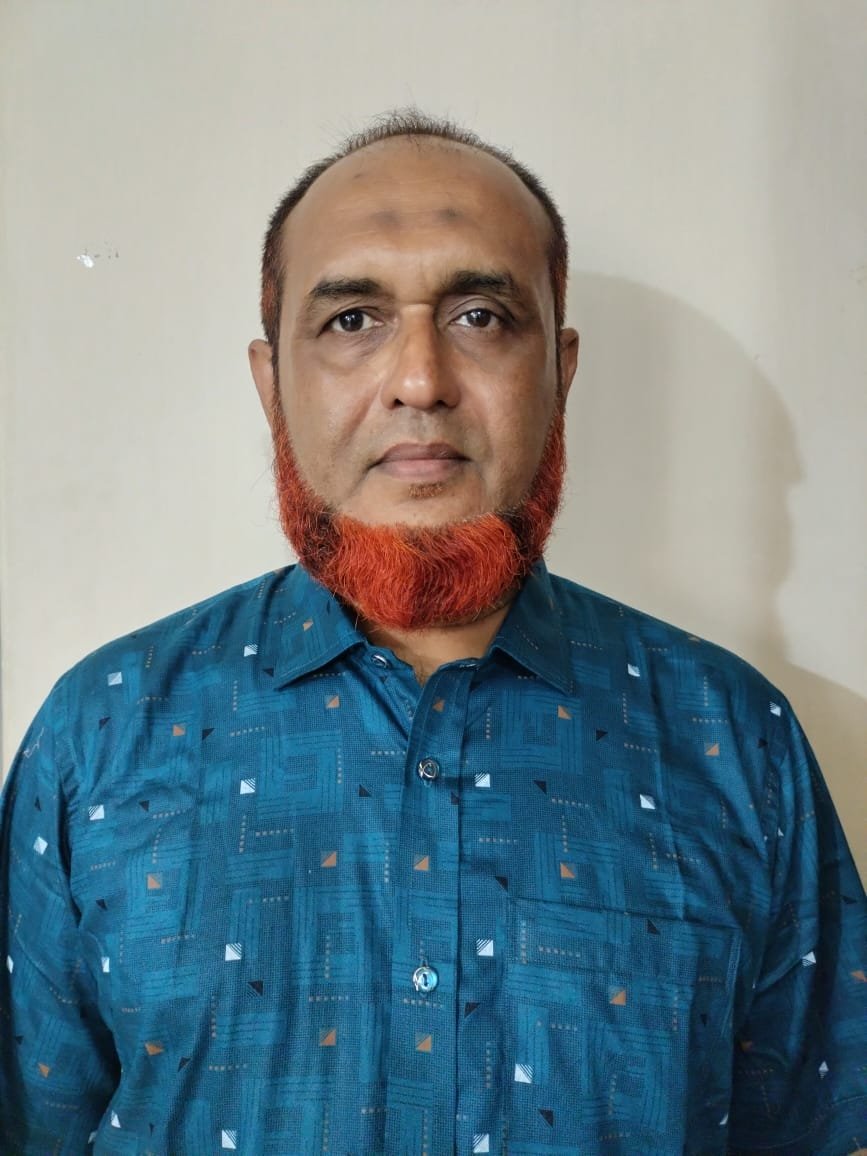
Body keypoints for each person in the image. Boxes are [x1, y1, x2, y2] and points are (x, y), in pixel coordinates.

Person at [1, 110, 864, 1156]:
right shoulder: (100, 733)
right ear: (272, 386)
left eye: (481, 317)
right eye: (352, 319)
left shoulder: (736, 741)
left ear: (561, 372)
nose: (420, 381)